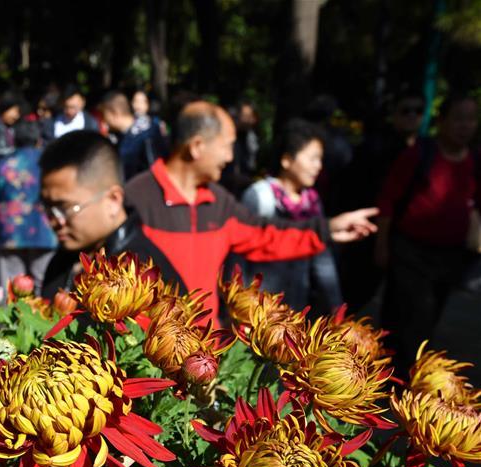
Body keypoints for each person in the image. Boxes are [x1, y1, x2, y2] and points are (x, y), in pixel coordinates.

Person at [124, 101, 378, 320]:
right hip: (145, 354)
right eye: (227, 145)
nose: (230, 156)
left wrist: (327, 229)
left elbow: (267, 235)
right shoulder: (138, 197)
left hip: (204, 354)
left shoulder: (220, 204)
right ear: (197, 146)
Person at [376, 94, 479, 373]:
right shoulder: (419, 154)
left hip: (451, 255)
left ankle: (408, 374)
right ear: (442, 121)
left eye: (471, 119)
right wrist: (382, 245)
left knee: (428, 319)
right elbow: (388, 200)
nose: (465, 125)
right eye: (459, 118)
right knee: (407, 317)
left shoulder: (475, 161)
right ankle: (392, 377)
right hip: (410, 252)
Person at [39, 131, 185, 299]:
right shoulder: (61, 262)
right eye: (48, 207)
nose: (54, 221)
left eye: (64, 208)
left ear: (113, 200)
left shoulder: (146, 276)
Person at [238, 119, 342, 313]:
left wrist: (336, 307)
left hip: (294, 308)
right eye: (312, 159)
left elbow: (321, 258)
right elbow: (240, 256)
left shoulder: (311, 201)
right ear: (286, 160)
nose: (318, 166)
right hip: (256, 310)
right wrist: (237, 304)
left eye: (320, 159)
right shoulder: (260, 196)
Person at [339, 89, 425, 310]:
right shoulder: (375, 148)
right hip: (368, 233)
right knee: (355, 293)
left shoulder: (426, 150)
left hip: (405, 241)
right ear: (394, 115)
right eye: (405, 110)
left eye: (418, 110)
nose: (412, 116)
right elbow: (355, 190)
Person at [0, 120, 57, 296]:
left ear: (14, 140)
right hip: (44, 230)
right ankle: (46, 322)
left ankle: (11, 323)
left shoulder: (4, 164)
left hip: (11, 232)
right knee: (43, 286)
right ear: (38, 140)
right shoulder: (48, 163)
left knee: (11, 287)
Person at [100, 91, 169, 180]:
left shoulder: (146, 135)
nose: (104, 121)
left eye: (104, 115)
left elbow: (154, 171)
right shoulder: (118, 137)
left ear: (114, 113)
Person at [220, 99, 260, 197]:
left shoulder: (251, 137)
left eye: (251, 117)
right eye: (245, 116)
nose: (249, 120)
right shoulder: (229, 136)